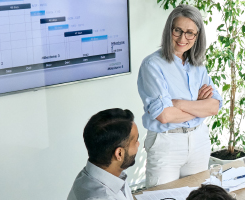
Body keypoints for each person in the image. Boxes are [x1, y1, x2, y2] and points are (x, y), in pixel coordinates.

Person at [137, 4, 223, 187]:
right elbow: (165, 115)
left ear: (197, 36)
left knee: (198, 197)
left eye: (190, 32)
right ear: (169, 30)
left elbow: (214, 106)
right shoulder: (152, 65)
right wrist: (199, 106)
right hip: (166, 142)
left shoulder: (198, 65)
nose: (183, 38)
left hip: (198, 140)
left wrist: (178, 103)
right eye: (178, 30)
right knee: (162, 197)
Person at [67, 108, 140, 200]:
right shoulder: (101, 197)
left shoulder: (97, 175)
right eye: (135, 141)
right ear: (119, 153)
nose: (138, 144)